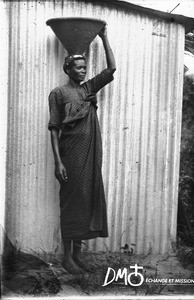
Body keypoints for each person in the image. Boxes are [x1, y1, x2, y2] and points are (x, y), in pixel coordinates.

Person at [48, 26, 116, 274]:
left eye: (85, 68)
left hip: (90, 155)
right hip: (70, 156)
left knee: (86, 202)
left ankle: (78, 255)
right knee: (70, 204)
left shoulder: (88, 89)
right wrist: (58, 162)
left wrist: (104, 37)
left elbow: (110, 70)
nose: (83, 70)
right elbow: (54, 128)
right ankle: (67, 258)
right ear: (68, 69)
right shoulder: (58, 93)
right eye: (78, 67)